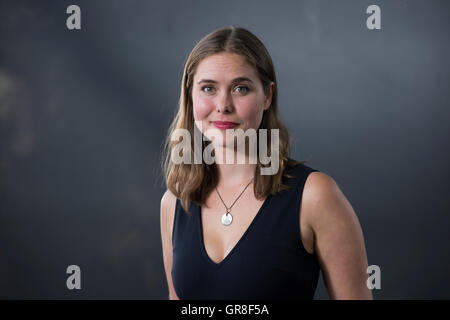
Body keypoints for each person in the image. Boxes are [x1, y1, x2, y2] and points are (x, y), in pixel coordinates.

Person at [160, 26, 372, 300]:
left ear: (268, 96)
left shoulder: (315, 195)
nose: (223, 105)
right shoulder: (175, 202)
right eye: (208, 88)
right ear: (190, 95)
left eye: (241, 88)